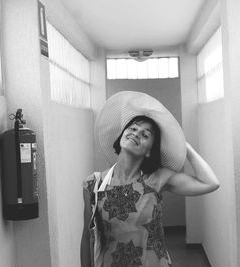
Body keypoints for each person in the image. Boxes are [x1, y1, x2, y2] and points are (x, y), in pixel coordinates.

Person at [81, 91, 219, 267]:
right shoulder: (94, 184)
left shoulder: (157, 179)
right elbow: (87, 238)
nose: (136, 133)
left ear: (149, 151)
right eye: (132, 128)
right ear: (122, 134)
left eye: (145, 135)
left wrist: (186, 147)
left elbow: (210, 183)